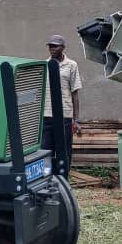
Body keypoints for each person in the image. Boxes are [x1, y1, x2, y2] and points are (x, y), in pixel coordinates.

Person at [42, 34, 82, 170]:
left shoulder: (71, 65)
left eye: (55, 46)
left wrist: (76, 120)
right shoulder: (44, 65)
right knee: (45, 150)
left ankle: (63, 178)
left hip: (64, 115)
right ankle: (47, 179)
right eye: (50, 46)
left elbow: (75, 93)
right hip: (46, 115)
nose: (52, 49)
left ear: (63, 47)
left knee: (64, 150)